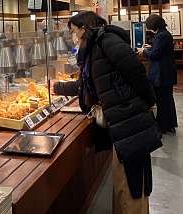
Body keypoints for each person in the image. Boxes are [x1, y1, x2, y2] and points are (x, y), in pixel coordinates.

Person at [54, 11, 162, 214]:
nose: (73, 37)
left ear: (84, 28)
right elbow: (85, 84)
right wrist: (58, 87)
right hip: (120, 120)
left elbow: (136, 72)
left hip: (129, 119)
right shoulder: (93, 48)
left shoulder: (107, 41)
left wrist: (149, 103)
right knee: (123, 180)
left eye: (74, 31)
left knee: (132, 182)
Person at [137, 14, 178, 134]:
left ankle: (162, 127)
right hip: (167, 73)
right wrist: (151, 47)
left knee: (161, 101)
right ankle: (169, 125)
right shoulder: (164, 34)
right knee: (167, 100)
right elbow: (160, 51)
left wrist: (143, 51)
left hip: (161, 74)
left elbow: (155, 55)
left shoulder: (161, 36)